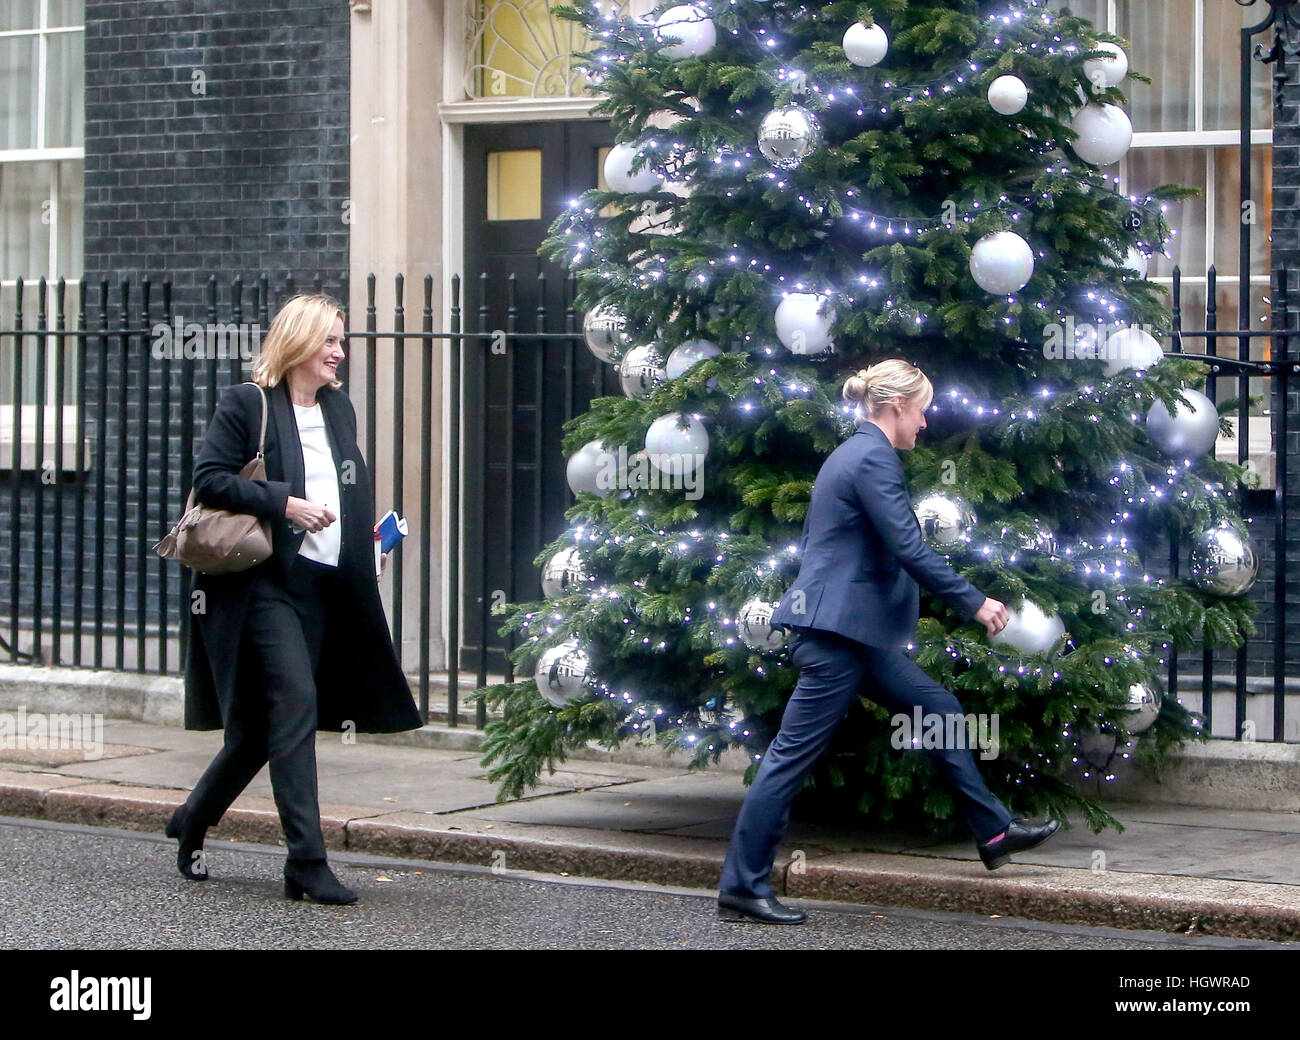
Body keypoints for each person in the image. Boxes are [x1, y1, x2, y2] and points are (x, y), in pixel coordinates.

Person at [717, 359, 1059, 924]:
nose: (924, 423)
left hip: (852, 632)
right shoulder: (872, 457)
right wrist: (975, 601)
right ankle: (742, 887)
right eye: (921, 410)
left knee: (939, 709)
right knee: (788, 761)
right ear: (897, 406)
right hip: (836, 636)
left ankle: (994, 831)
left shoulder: (853, 454)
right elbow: (909, 546)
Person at [166, 293, 422, 905]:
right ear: (300, 344)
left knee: (260, 730)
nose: (340, 353)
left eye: (342, 341)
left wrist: (365, 545)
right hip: (261, 586)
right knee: (298, 704)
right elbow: (209, 478)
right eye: (331, 341)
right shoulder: (247, 402)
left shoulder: (339, 410)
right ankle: (306, 861)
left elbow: (347, 485)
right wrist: (283, 502)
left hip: (322, 584)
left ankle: (192, 819)